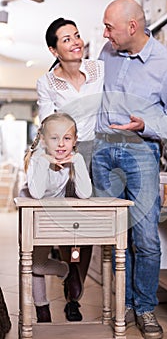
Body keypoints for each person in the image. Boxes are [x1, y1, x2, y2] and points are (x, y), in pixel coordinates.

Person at [92, 0, 167, 339]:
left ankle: (145, 307)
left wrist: (144, 124)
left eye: (109, 26)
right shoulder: (107, 52)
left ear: (132, 27)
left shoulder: (166, 63)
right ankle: (127, 303)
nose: (105, 33)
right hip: (102, 152)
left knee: (145, 236)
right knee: (115, 236)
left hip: (140, 151)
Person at [36, 17, 104, 321]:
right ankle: (69, 272)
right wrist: (57, 153)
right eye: (66, 39)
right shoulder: (47, 82)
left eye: (76, 35)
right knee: (66, 223)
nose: (75, 42)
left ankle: (75, 290)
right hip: (63, 151)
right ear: (54, 50)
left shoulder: (98, 69)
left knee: (87, 225)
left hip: (94, 151)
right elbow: (47, 121)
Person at [20, 113, 92, 322]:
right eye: (54, 138)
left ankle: (65, 273)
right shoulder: (37, 158)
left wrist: (77, 160)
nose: (61, 144)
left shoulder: (74, 159)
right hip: (31, 214)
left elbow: (85, 193)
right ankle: (44, 308)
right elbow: (37, 193)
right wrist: (44, 161)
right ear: (43, 139)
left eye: (67, 139)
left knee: (36, 265)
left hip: (52, 215)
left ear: (75, 140)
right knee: (34, 265)